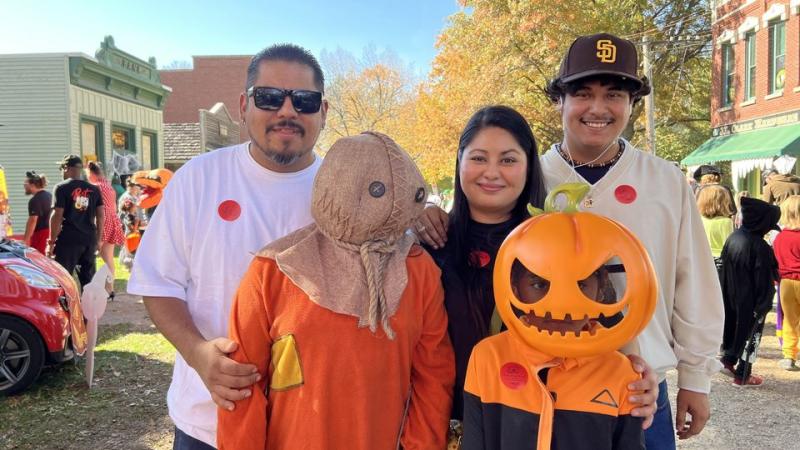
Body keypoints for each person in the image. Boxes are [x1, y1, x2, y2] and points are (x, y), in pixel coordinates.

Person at [418, 34, 723, 448]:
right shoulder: (530, 179)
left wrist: (696, 378)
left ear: (632, 103)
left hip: (637, 390)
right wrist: (422, 213)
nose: (598, 108)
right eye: (582, 93)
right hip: (536, 390)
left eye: (614, 94)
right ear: (559, 100)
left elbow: (695, 283)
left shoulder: (665, 181)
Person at [415, 106, 658, 446]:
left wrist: (637, 379)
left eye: (509, 160)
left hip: (531, 423)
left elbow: (608, 327)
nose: (492, 172)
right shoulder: (430, 243)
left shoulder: (561, 242)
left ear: (530, 166)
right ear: (459, 162)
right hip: (440, 425)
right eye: (479, 158)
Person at [127, 44, 328, 449]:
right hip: (209, 424)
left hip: (315, 426)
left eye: (303, 100)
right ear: (243, 105)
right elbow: (157, 283)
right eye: (269, 97)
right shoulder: (199, 179)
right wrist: (198, 353)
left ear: (324, 111)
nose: (286, 111)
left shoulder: (345, 190)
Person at [217, 132, 454, 449]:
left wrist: (420, 446)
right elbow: (241, 385)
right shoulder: (274, 270)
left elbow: (434, 375)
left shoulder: (417, 268)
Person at [463, 184, 654, 450]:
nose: (563, 301)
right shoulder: (488, 358)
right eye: (540, 284)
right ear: (514, 287)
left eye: (581, 284)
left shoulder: (621, 373)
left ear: (600, 290)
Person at [719, 197, 780, 386]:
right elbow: (764, 279)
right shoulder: (760, 247)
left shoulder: (734, 237)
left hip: (730, 294)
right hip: (752, 300)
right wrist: (764, 303)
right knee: (751, 336)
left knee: (732, 327)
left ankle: (728, 360)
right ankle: (743, 375)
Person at [49, 154, 105, 288]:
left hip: (69, 240)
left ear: (66, 168)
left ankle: (66, 307)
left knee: (63, 278)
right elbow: (101, 215)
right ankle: (91, 308)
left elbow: (57, 215)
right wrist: (98, 239)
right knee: (89, 280)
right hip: (89, 239)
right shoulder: (94, 189)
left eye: (62, 169)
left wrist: (51, 241)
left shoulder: (61, 187)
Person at [86, 161, 125, 297]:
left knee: (91, 256)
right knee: (109, 258)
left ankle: (94, 287)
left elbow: (93, 208)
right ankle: (110, 289)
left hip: (101, 220)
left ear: (91, 173)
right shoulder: (109, 187)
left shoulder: (95, 187)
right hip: (112, 219)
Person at [772, 195, 800, 371]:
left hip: (786, 283)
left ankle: (789, 355)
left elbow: (775, 260)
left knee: (790, 319)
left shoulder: (780, 238)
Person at [696, 184, 735, 266]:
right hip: (721, 262)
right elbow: (730, 248)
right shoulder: (726, 222)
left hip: (701, 260)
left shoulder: (698, 220)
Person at [22, 170, 52, 254]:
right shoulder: (50, 196)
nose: (24, 185)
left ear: (32, 185)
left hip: (41, 236)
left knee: (38, 262)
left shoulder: (34, 200)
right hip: (51, 234)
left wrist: (25, 240)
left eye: (25, 183)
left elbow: (33, 220)